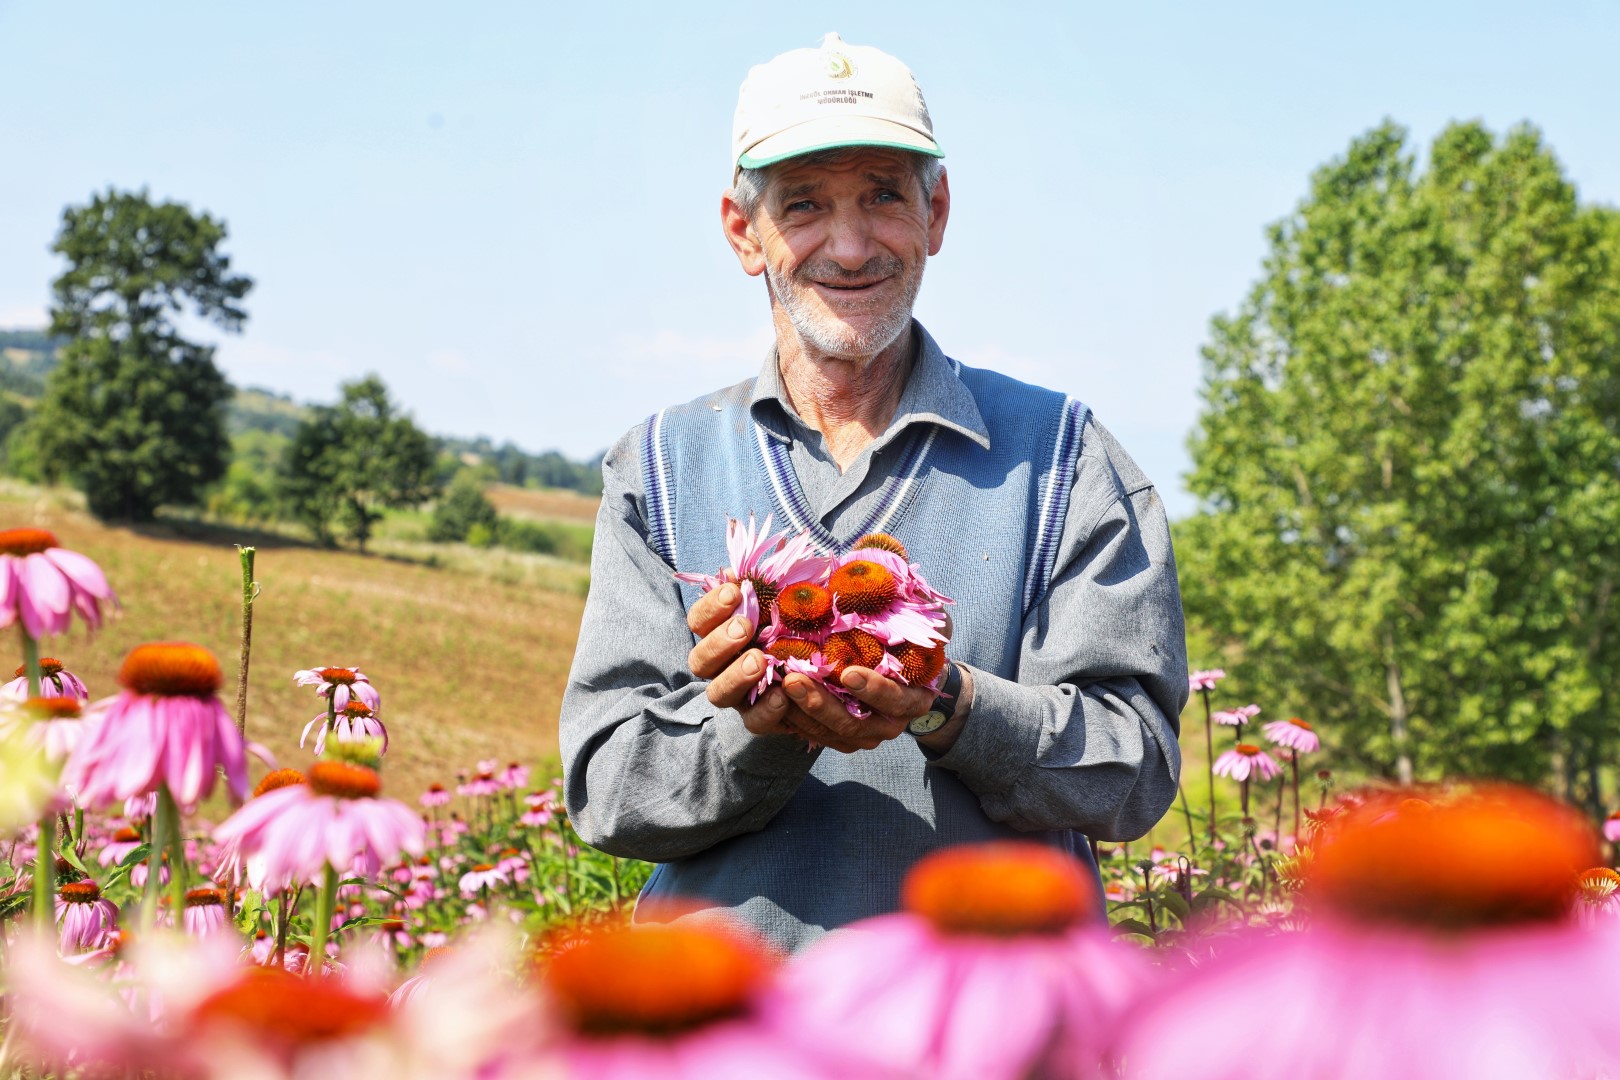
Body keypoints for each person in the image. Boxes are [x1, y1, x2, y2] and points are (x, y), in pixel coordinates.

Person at [560, 32, 1187, 953]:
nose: (850, 247)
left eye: (885, 195)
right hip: (732, 1014)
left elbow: (1134, 770)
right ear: (744, 231)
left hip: (989, 1013)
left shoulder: (1064, 459)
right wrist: (756, 730)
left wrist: (949, 702)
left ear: (937, 213)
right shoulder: (661, 466)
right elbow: (609, 790)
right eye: (804, 203)